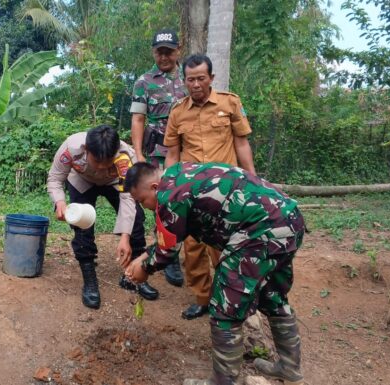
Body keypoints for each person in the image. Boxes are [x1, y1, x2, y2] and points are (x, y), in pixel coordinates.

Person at [123, 162, 304, 385]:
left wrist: (144, 268)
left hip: (259, 232)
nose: (146, 207)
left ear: (153, 187)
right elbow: (168, 236)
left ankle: (224, 382)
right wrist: (146, 255)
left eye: (142, 201)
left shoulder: (169, 195)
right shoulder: (180, 174)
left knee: (224, 308)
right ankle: (289, 367)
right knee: (272, 296)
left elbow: (166, 252)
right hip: (289, 220)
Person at [163, 54, 256, 320]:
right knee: (193, 247)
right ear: (184, 81)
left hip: (226, 193)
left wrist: (252, 179)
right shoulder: (178, 112)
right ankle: (202, 298)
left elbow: (241, 143)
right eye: (190, 79)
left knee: (226, 245)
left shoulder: (230, 103)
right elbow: (172, 152)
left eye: (201, 78)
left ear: (211, 78)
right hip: (192, 193)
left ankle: (230, 297)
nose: (195, 84)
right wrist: (170, 187)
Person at [47, 125, 159, 309]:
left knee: (136, 220)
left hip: (114, 182)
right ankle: (89, 279)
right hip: (82, 181)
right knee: (82, 227)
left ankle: (133, 275)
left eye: (106, 162)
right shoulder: (71, 149)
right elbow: (55, 178)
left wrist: (125, 236)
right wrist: (59, 202)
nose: (100, 166)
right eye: (96, 160)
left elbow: (128, 198)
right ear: (86, 150)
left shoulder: (125, 157)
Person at [130, 28, 187, 288]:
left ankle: (190, 251)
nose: (164, 57)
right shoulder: (143, 81)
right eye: (159, 52)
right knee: (162, 202)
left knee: (186, 199)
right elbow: (138, 119)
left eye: (169, 51)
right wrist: (139, 154)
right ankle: (170, 255)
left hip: (188, 151)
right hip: (157, 155)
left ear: (178, 50)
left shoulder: (190, 77)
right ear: (154, 52)